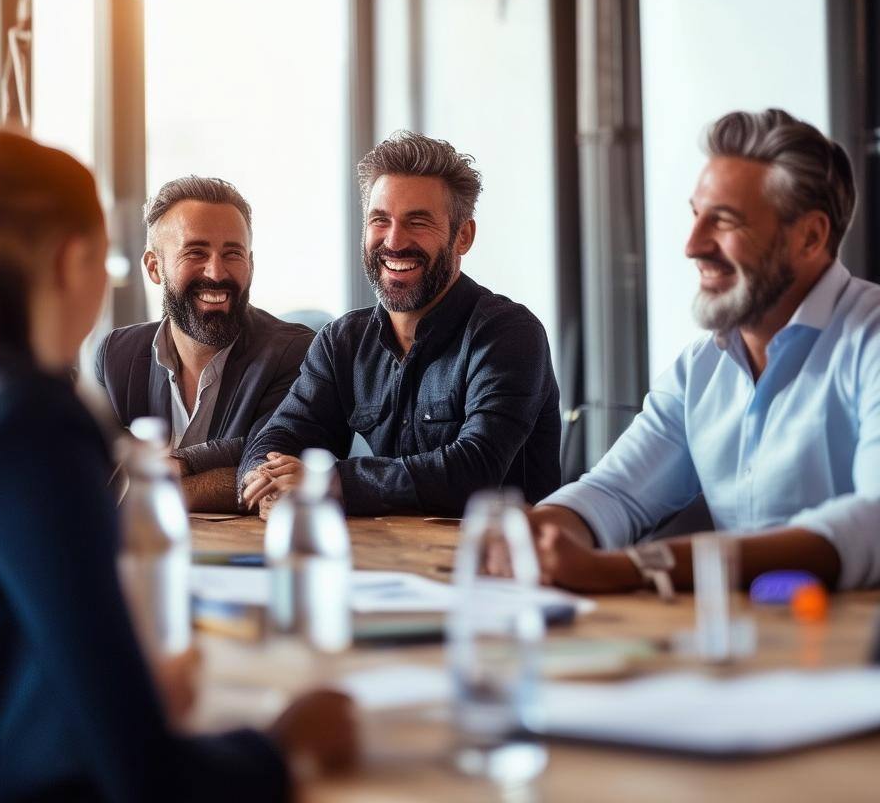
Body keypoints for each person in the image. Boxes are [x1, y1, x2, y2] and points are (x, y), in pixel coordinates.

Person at [0, 126, 354, 801]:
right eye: (107, 265)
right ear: (70, 261)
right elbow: (147, 779)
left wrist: (122, 691)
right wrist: (281, 748)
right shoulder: (24, 421)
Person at [514, 108, 880, 595]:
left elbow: (873, 520)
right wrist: (545, 532)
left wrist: (639, 566)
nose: (692, 245)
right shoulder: (699, 368)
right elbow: (615, 492)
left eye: (724, 221)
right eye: (695, 215)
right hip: (757, 648)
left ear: (810, 237)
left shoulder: (869, 337)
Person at [238, 131, 561, 519]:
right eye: (380, 220)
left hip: (496, 565)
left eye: (418, 222)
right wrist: (265, 480)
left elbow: (476, 470)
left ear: (463, 236)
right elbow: (280, 437)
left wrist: (330, 482)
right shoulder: (342, 342)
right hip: (388, 558)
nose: (394, 241)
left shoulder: (508, 334)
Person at [94, 176, 314, 511]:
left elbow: (269, 469)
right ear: (154, 267)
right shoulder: (116, 356)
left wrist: (158, 481)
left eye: (233, 253)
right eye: (196, 252)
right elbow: (94, 474)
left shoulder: (296, 354)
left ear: (251, 266)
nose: (216, 272)